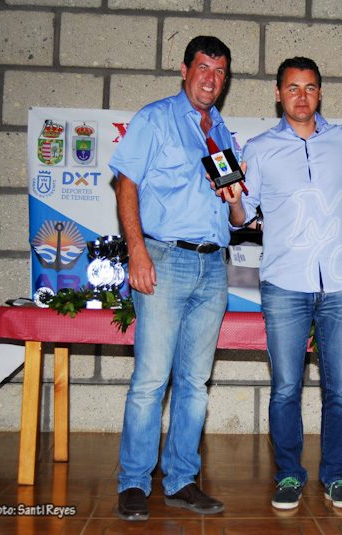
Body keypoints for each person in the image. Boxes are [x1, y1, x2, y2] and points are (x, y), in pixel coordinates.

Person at [219, 57, 342, 510]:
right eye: (292, 88)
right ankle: (289, 475)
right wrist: (233, 202)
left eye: (309, 87)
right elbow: (241, 217)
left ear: (320, 93)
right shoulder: (260, 148)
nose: (301, 96)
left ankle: (337, 476)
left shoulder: (341, 139)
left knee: (340, 391)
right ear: (278, 93)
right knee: (286, 387)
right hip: (285, 282)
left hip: (339, 283)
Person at [108, 35, 235, 522]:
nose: (211, 78)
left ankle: (181, 479)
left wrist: (243, 205)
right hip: (164, 258)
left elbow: (233, 206)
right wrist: (137, 251)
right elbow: (126, 184)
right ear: (185, 70)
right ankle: (134, 482)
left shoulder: (221, 131)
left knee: (195, 382)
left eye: (219, 71)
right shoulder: (156, 118)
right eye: (203, 67)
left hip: (213, 266)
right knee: (151, 379)